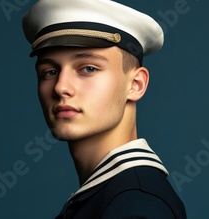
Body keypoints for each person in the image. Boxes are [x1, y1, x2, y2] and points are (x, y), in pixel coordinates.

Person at [21, 0, 187, 218]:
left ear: (135, 85)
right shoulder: (111, 195)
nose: (61, 87)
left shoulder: (136, 205)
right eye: (50, 72)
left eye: (88, 68)